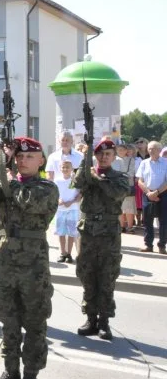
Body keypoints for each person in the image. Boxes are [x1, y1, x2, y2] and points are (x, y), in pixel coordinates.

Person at [0, 136, 58, 379]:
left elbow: (27, 200)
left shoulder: (46, 187)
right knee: (8, 322)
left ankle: (31, 376)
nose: (23, 160)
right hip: (4, 263)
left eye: (29, 157)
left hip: (32, 266)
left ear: (41, 161)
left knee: (35, 323)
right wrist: (0, 160)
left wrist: (10, 179)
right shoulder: (6, 180)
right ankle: (10, 372)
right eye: (20, 156)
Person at [72, 139, 132, 340]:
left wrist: (96, 177)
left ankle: (105, 321)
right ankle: (91, 319)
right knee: (87, 275)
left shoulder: (120, 177)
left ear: (115, 157)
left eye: (108, 154)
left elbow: (115, 193)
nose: (104, 157)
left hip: (108, 233)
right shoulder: (87, 172)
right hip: (88, 231)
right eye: (99, 154)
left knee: (107, 277)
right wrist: (84, 160)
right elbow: (76, 183)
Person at [136, 141, 167, 253]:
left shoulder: (166, 162)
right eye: (149, 148)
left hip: (163, 194)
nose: (151, 150)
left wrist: (157, 192)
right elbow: (140, 180)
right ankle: (148, 245)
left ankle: (162, 245)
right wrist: (149, 193)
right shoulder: (144, 163)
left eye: (154, 148)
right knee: (147, 221)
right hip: (147, 194)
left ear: (159, 150)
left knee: (164, 221)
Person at [54, 160, 82, 263]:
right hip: (60, 210)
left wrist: (71, 201)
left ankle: (69, 254)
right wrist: (58, 200)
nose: (65, 169)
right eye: (63, 167)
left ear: (71, 169)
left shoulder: (74, 180)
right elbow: (54, 194)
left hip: (72, 209)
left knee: (71, 233)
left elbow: (79, 195)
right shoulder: (57, 180)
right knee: (61, 232)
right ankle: (63, 253)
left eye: (67, 167)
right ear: (60, 168)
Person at [116, 143, 140, 234]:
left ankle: (130, 227)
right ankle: (122, 226)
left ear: (126, 151)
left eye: (122, 150)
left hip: (128, 185)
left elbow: (131, 173)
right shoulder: (114, 160)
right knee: (120, 207)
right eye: (118, 150)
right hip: (117, 187)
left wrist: (118, 175)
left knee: (129, 207)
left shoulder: (131, 160)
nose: (120, 152)